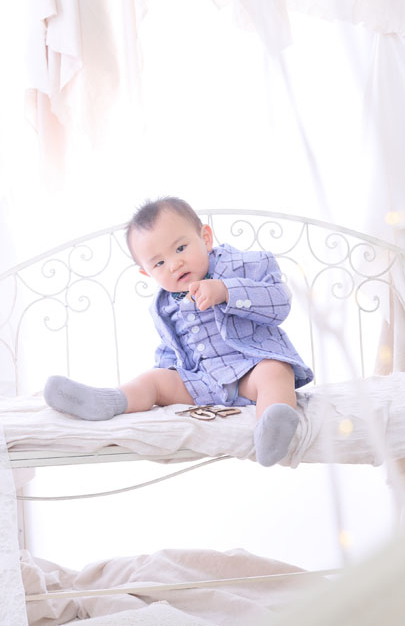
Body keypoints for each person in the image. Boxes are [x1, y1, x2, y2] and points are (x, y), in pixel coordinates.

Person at [44, 196, 314, 466]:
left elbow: (279, 303)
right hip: (201, 382)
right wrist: (165, 380)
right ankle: (109, 401)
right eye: (159, 263)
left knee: (276, 371)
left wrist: (226, 291)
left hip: (250, 371)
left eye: (181, 248)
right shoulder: (163, 305)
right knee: (153, 379)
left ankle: (272, 429)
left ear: (205, 238)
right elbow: (172, 350)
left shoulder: (246, 265)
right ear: (147, 273)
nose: (174, 265)